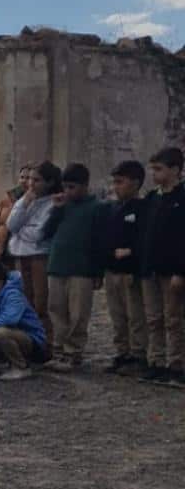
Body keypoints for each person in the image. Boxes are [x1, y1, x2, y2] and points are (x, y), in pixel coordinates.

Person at [42, 164, 107, 372]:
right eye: (65, 187)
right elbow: (46, 232)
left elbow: (99, 242)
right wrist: (56, 210)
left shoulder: (97, 208)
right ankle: (58, 350)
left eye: (72, 187)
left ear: (85, 186)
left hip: (82, 269)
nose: (68, 192)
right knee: (57, 310)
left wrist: (98, 272)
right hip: (57, 266)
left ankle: (73, 352)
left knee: (78, 314)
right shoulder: (62, 206)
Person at [138, 146, 185, 385]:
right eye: (153, 169)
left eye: (159, 169)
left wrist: (180, 270)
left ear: (175, 170)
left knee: (173, 318)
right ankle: (155, 360)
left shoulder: (182, 198)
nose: (154, 174)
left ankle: (176, 364)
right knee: (153, 317)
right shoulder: (152, 198)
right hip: (150, 268)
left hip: (172, 269)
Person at [7, 160, 61, 346]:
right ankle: (28, 340)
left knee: (41, 303)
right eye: (29, 179)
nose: (31, 184)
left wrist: (21, 229)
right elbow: (11, 225)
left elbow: (38, 233)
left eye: (36, 180)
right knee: (25, 301)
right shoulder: (25, 200)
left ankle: (46, 341)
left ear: (49, 182)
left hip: (39, 256)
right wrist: (24, 203)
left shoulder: (53, 203)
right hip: (20, 256)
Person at [102, 160, 148, 374]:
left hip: (131, 271)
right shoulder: (114, 208)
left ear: (135, 183)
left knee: (135, 316)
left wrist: (132, 252)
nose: (115, 187)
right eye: (114, 182)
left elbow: (147, 238)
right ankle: (123, 352)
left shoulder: (144, 208)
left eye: (120, 182)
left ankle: (139, 355)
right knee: (117, 315)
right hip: (112, 270)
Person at [0, 164, 32, 264]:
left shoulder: (37, 200)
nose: (24, 181)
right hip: (3, 252)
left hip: (24, 252)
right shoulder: (8, 199)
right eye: (22, 177)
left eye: (28, 178)